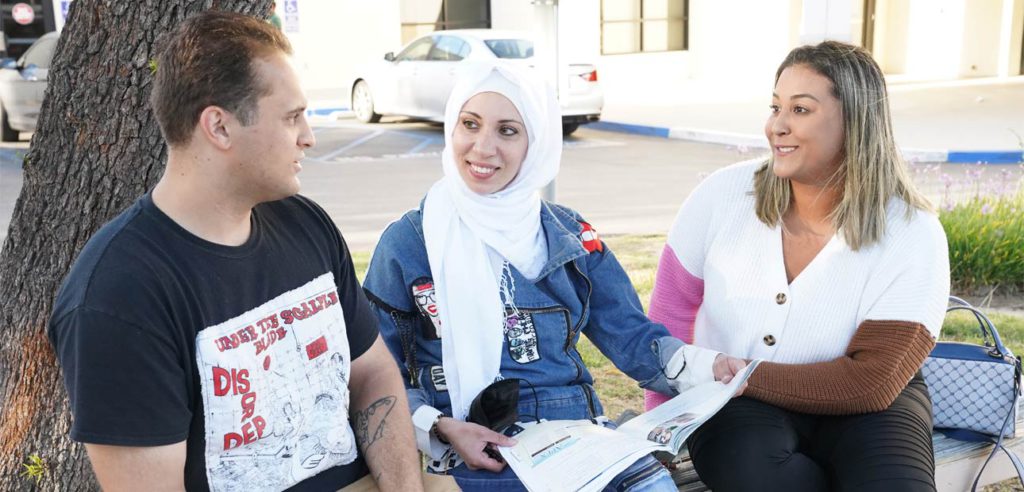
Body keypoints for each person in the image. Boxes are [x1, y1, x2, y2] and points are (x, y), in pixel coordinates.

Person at [47, 11, 422, 491]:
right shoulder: (117, 297)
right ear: (219, 128)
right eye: (291, 118)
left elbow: (370, 372)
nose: (309, 135)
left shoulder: (306, 225)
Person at [362, 62, 746, 491]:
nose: (482, 147)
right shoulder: (410, 243)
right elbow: (375, 370)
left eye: (507, 131)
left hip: (578, 437)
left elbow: (631, 336)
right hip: (475, 447)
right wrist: (438, 427)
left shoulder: (570, 236)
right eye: (469, 124)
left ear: (537, 144)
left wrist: (707, 366)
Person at [645, 41, 950, 491]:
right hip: (737, 405)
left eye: (801, 110)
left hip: (868, 404)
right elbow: (670, 313)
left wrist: (743, 373)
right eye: (775, 107)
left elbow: (872, 382)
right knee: (749, 468)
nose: (777, 126)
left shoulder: (911, 229)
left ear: (855, 120)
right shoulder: (722, 196)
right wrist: (660, 428)